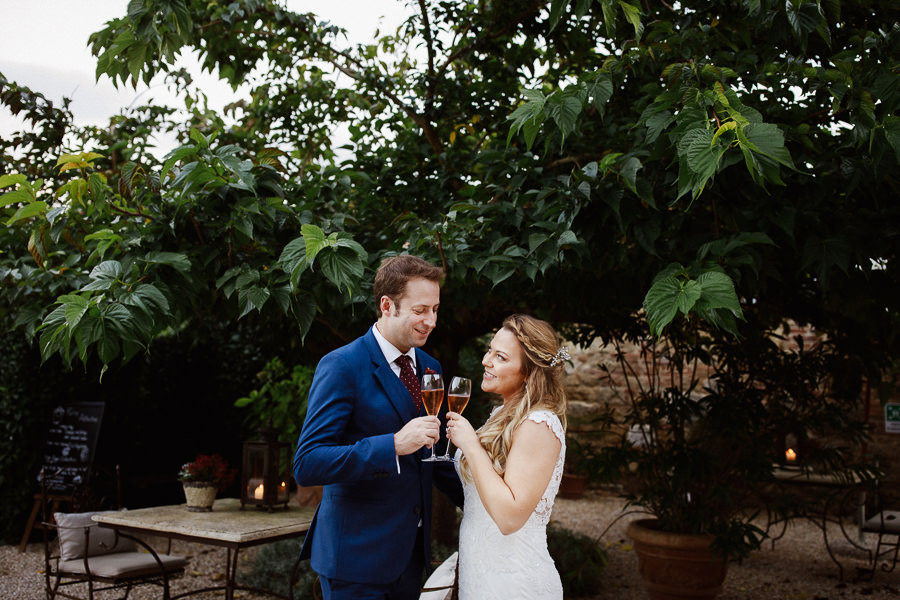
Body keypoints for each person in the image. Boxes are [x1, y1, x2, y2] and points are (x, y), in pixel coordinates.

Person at [293, 254, 464, 600]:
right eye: (420, 310)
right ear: (387, 305)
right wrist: (393, 445)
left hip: (411, 559)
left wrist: (488, 502)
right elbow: (308, 462)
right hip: (354, 561)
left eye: (435, 309)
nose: (431, 321)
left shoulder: (430, 366)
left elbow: (432, 453)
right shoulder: (342, 365)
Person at [445, 314, 569, 600]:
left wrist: (472, 447)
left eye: (500, 357)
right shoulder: (501, 416)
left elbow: (510, 517)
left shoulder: (539, 424)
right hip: (480, 576)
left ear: (527, 372)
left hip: (513, 583)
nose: (486, 361)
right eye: (490, 350)